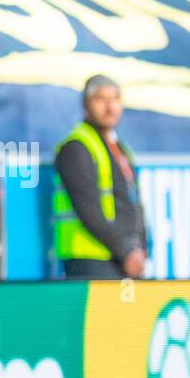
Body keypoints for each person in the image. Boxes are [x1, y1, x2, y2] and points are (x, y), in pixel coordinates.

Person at [52, 75, 149, 280]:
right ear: (86, 105)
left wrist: (140, 248)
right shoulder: (77, 147)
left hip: (122, 259)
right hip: (90, 260)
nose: (109, 107)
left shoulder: (119, 148)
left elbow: (130, 202)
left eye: (115, 99)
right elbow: (88, 209)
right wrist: (126, 252)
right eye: (100, 99)